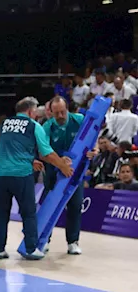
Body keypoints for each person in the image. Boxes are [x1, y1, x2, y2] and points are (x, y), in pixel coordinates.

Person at [0, 97, 73, 261]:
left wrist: (29, 159)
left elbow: (12, 149)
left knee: (1, 214)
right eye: (35, 111)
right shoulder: (33, 125)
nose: (37, 114)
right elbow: (46, 153)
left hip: (0, 174)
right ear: (29, 111)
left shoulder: (4, 124)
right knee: (29, 213)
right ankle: (30, 248)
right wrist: (63, 165)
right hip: (21, 174)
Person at [42, 96, 88, 255]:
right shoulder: (47, 126)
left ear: (67, 109)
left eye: (62, 112)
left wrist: (92, 150)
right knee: (49, 206)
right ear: (51, 113)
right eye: (56, 113)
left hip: (75, 173)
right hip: (53, 172)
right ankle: (44, 240)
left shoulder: (80, 120)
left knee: (75, 206)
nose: (60, 116)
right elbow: (43, 150)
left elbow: (91, 138)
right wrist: (59, 162)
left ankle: (73, 242)